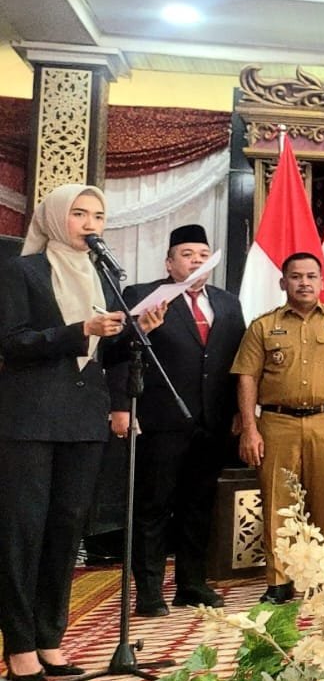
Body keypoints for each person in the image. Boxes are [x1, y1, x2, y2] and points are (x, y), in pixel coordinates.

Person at [0, 185, 166, 681]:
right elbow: (12, 342)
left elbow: (104, 355)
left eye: (98, 215)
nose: (91, 224)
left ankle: (50, 639)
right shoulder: (22, 270)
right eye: (79, 214)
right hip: (30, 419)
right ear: (56, 217)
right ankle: (20, 646)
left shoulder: (102, 274)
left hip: (82, 418)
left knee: (66, 531)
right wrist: (80, 329)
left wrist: (140, 330)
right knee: (22, 533)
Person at [114, 224, 244, 617]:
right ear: (169, 263)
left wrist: (239, 412)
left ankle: (191, 584)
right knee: (153, 507)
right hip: (160, 421)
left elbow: (236, 362)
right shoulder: (144, 296)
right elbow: (116, 353)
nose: (196, 262)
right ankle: (149, 591)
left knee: (198, 506)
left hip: (211, 421)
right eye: (187, 255)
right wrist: (121, 406)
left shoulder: (227, 303)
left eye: (203, 256)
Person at [232, 252, 324, 603]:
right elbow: (247, 377)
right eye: (296, 277)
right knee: (278, 504)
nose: (304, 283)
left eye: (311, 276)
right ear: (283, 282)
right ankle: (278, 581)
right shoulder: (263, 326)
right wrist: (250, 428)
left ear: (322, 282)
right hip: (277, 422)